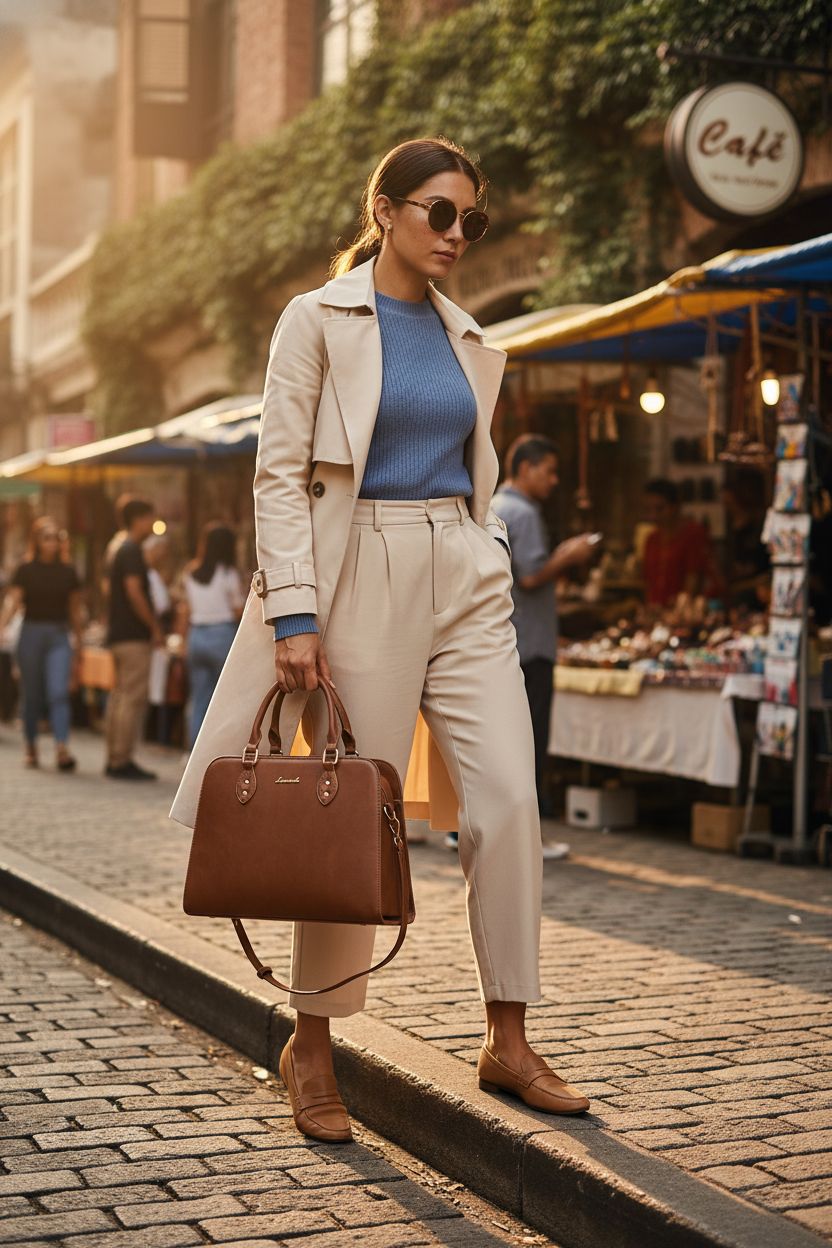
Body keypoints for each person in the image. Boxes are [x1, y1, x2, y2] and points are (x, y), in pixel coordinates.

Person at [171, 136, 591, 1141]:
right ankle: (311, 1046)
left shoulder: (467, 333)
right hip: (359, 569)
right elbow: (278, 474)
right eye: (440, 213)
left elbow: (469, 463)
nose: (457, 234)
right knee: (351, 808)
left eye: (471, 220)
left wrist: (483, 547)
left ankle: (507, 1035)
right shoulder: (316, 319)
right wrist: (297, 615)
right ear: (386, 209)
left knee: (505, 802)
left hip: (464, 567)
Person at [492, 436, 596, 832]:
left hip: (506, 639)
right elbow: (532, 575)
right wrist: (570, 555)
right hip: (532, 644)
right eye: (549, 471)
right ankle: (529, 834)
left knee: (502, 740)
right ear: (524, 468)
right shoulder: (525, 513)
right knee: (530, 740)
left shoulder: (495, 506)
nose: (554, 481)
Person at [0, 516, 83, 770]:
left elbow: (74, 610)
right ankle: (31, 746)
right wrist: (1, 626)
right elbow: (13, 602)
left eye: (56, 538)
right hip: (31, 634)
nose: (52, 543)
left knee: (58, 692)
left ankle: (61, 748)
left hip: (59, 634)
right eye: (46, 538)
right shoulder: (25, 570)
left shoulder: (69, 572)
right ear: (37, 541)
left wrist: (79, 642)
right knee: (31, 694)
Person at [104, 496, 162, 780]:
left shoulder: (117, 546)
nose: (152, 524)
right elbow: (134, 590)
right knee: (131, 697)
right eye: (150, 517)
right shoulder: (130, 550)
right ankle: (121, 759)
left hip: (119, 633)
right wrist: (153, 627)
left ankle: (115, 755)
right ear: (139, 518)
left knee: (120, 696)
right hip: (132, 635)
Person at [182, 522, 244, 746]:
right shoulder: (228, 573)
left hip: (196, 635)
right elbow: (238, 609)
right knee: (225, 698)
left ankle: (193, 750)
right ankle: (218, 750)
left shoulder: (191, 572)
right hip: (222, 634)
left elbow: (185, 609)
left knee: (199, 697)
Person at [642, 478, 713, 606]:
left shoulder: (693, 534)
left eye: (659, 509)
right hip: (656, 610)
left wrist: (680, 607)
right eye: (648, 510)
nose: (653, 516)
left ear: (675, 506)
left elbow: (694, 578)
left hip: (683, 613)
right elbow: (648, 582)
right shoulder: (651, 539)